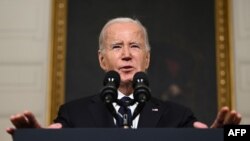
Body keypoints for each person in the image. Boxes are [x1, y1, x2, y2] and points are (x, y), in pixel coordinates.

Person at [6, 17, 241, 134]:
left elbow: (212, 138)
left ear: (147, 59)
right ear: (102, 59)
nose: (127, 55)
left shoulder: (178, 116)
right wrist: (37, 140)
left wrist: (221, 136)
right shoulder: (73, 115)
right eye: (117, 46)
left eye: (136, 47)